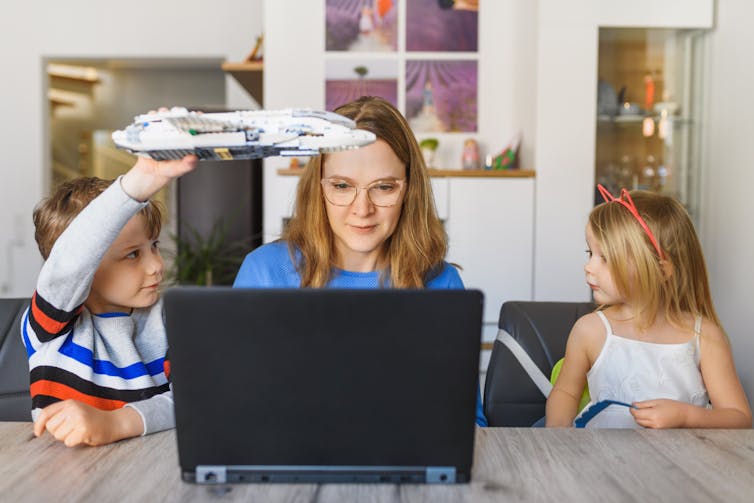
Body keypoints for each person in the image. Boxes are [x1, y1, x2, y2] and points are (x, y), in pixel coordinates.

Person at [234, 96, 487, 426]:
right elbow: (236, 407)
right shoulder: (264, 272)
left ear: (409, 190)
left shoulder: (441, 283)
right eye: (342, 186)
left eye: (383, 187)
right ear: (318, 187)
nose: (362, 209)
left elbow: (468, 423)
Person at [22, 154, 198, 446]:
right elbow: (72, 260)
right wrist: (139, 182)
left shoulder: (169, 318)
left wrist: (116, 422)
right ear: (88, 268)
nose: (156, 265)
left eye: (153, 246)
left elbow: (192, 400)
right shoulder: (49, 328)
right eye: (133, 254)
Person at [546, 185, 751, 428]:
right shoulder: (589, 330)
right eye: (590, 253)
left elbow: (740, 418)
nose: (588, 266)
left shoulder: (705, 337)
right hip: (600, 461)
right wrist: (557, 434)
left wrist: (686, 417)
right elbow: (566, 394)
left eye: (606, 258)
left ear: (660, 270)